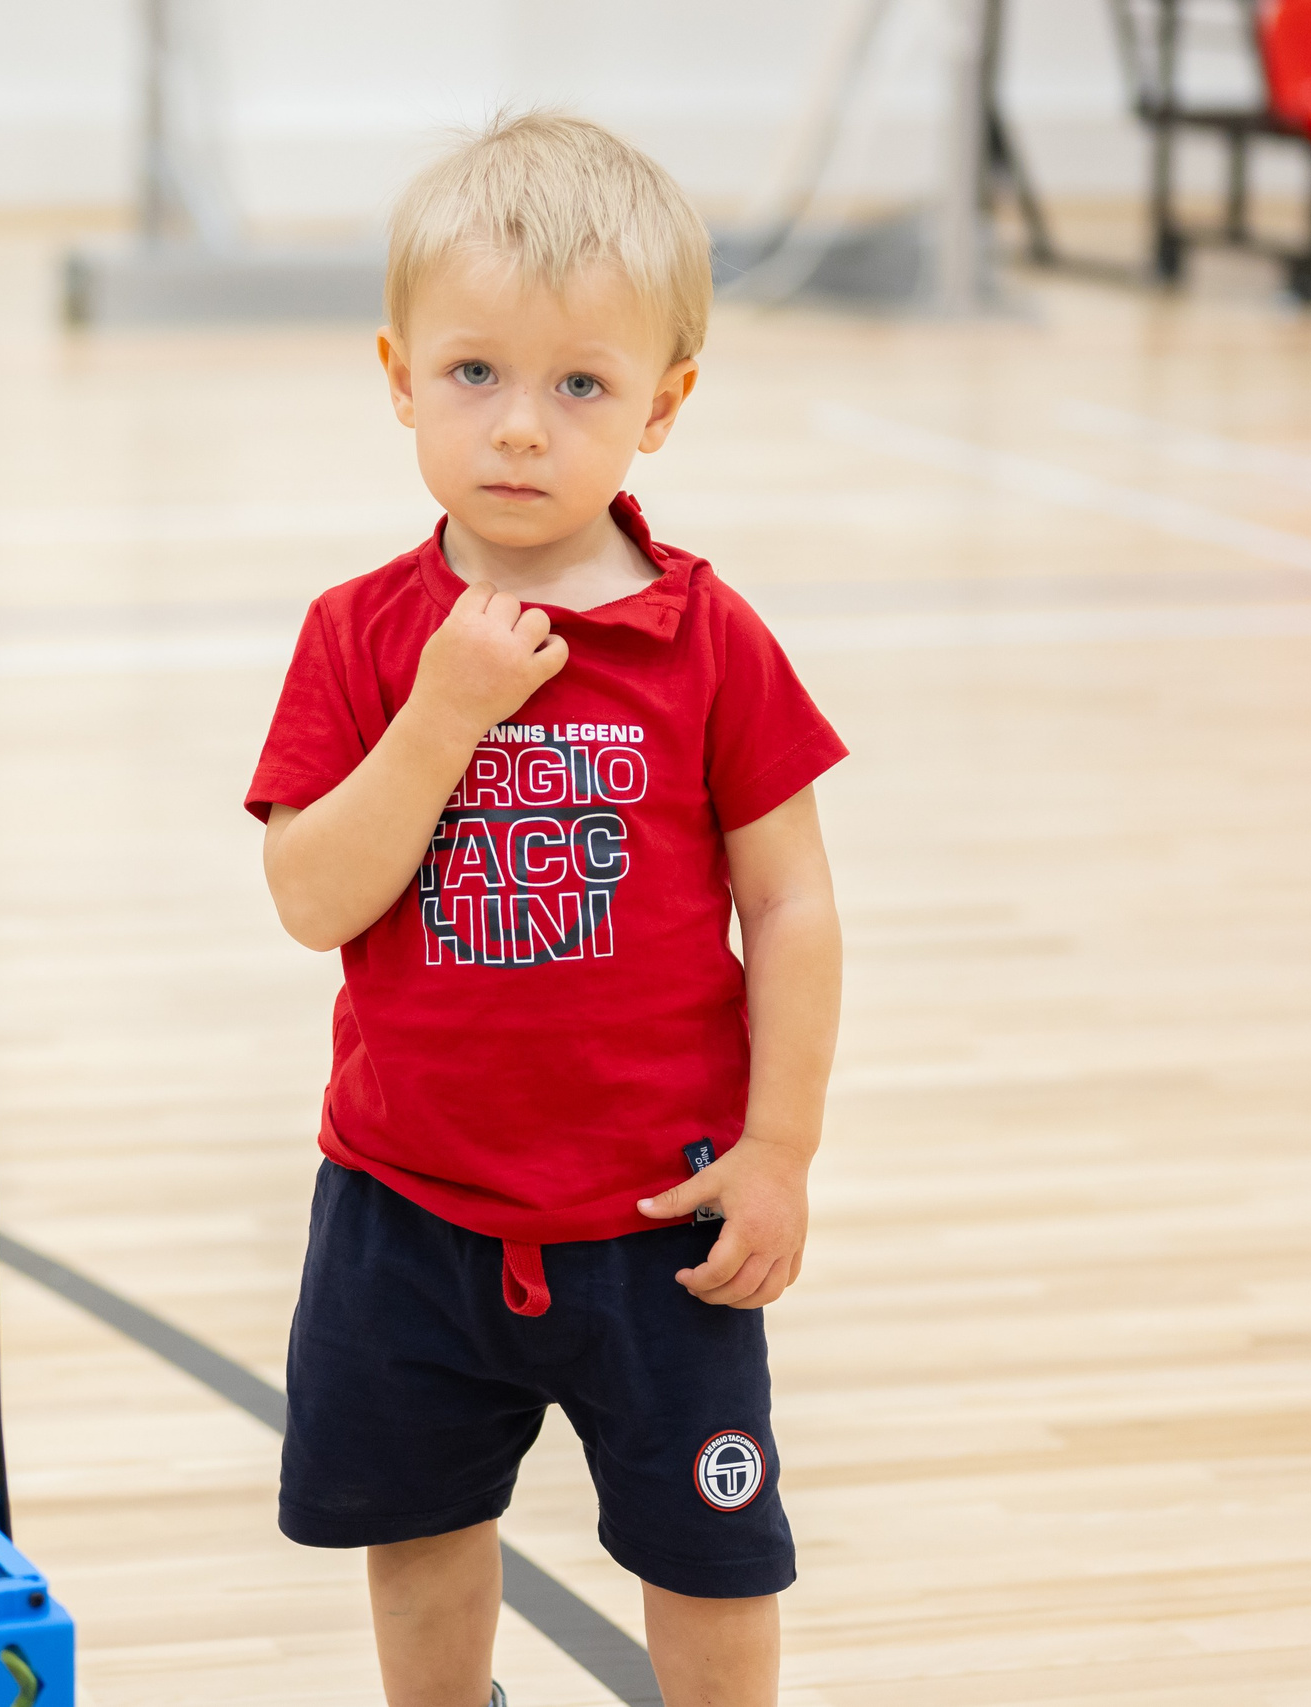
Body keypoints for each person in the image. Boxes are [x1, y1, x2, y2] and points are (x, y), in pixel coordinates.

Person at [247, 110, 846, 1707]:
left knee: (711, 1555)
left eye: (580, 386)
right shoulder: (362, 637)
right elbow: (310, 897)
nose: (521, 429)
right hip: (408, 1211)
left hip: (662, 1220)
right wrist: (439, 716)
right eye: (474, 376)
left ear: (662, 407)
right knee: (424, 1536)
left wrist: (779, 1150)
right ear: (398, 378)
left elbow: (790, 903)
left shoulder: (711, 640)